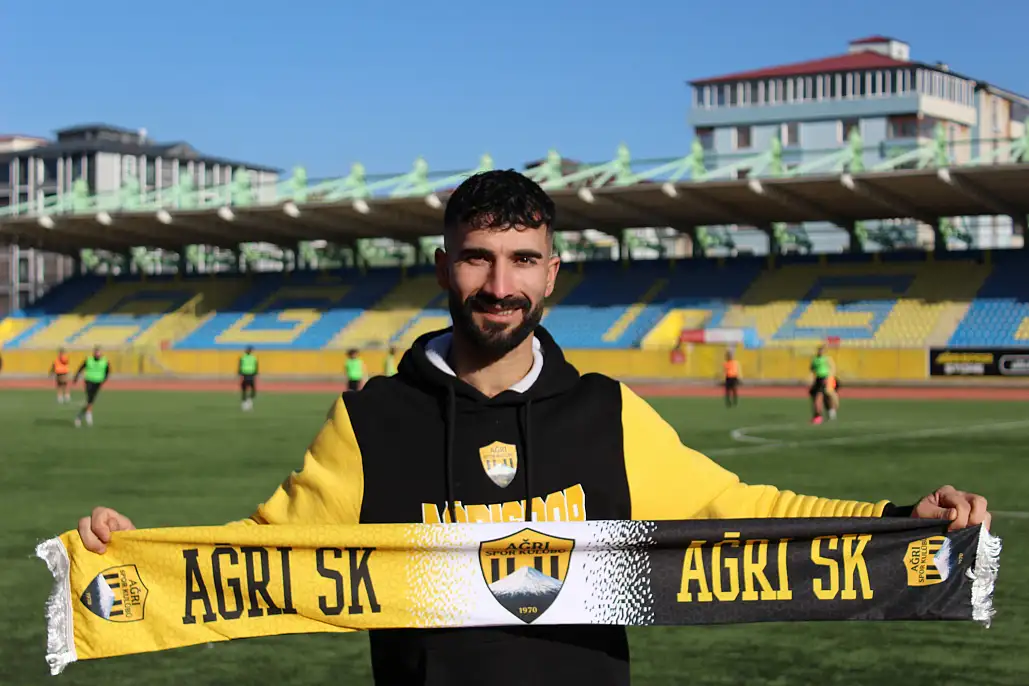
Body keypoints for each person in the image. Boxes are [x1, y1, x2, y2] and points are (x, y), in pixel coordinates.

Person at [77, 170, 991, 686]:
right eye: (478, 259)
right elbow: (263, 554)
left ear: (552, 274)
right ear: (445, 267)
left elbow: (741, 512)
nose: (499, 285)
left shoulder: (606, 412)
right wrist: (135, 556)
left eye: (522, 260)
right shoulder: (370, 421)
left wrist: (898, 521)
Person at [72, 345, 109, 427]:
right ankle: (87, 415)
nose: (97, 354)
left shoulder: (105, 361)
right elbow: (81, 368)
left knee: (91, 401)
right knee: (90, 399)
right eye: (96, 352)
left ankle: (80, 416)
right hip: (89, 381)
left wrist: (104, 379)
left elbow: (107, 371)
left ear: (101, 353)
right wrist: (76, 377)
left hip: (98, 382)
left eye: (99, 352)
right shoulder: (89, 360)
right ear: (94, 353)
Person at [808, 344, 836, 424]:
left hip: (825, 379)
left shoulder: (827, 359)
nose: (820, 351)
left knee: (822, 396)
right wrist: (811, 378)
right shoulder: (814, 359)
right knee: (817, 397)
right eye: (819, 350)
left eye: (822, 350)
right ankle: (823, 413)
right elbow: (812, 369)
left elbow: (832, 368)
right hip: (817, 379)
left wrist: (829, 378)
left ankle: (821, 415)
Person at [238, 346, 258, 411]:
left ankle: (246, 402)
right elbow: (240, 366)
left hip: (248, 375)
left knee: (248, 391)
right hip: (247, 375)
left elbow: (240, 367)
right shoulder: (251, 358)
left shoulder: (245, 357)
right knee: (247, 390)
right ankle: (245, 403)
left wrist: (240, 374)